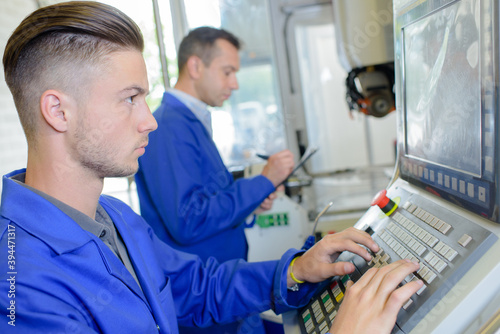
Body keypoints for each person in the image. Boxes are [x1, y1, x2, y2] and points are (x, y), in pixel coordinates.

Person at [0, 2, 422, 333]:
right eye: (129, 98)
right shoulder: (20, 286)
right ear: (58, 111)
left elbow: (197, 287)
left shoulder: (116, 218)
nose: (148, 120)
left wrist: (295, 269)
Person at [134, 27, 293, 265]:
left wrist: (251, 202)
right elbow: (188, 220)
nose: (235, 83)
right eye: (227, 72)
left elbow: (207, 198)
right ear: (196, 67)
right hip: (196, 287)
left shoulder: (192, 122)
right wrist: (264, 180)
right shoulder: (169, 127)